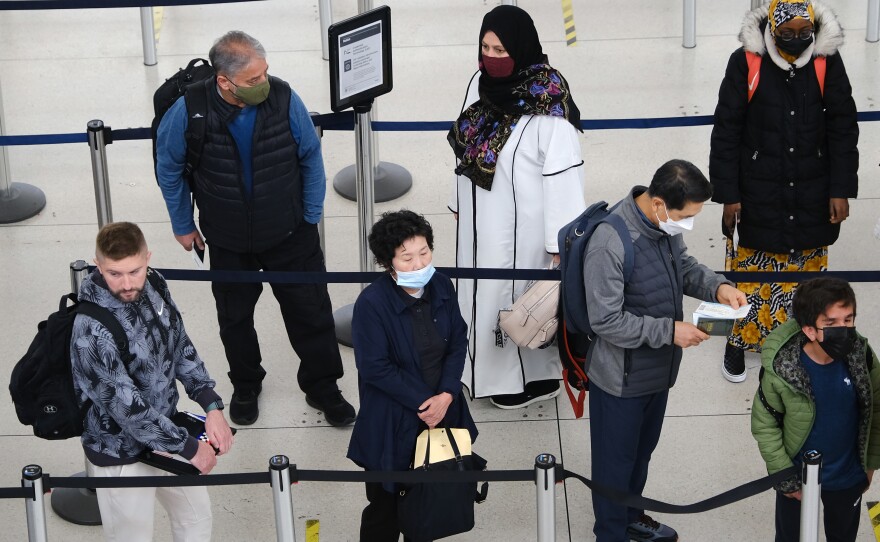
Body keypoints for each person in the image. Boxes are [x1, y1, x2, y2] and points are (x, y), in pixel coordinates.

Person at [155, 30, 355, 426]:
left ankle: (323, 387)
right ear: (224, 81)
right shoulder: (188, 111)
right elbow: (170, 169)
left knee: (310, 312)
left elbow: (310, 156)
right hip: (227, 237)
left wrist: (311, 215)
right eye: (252, 80)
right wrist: (183, 224)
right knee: (235, 318)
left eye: (264, 73)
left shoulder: (283, 97)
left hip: (290, 232)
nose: (263, 83)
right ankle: (246, 385)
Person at [583, 160, 747, 542]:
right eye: (684, 216)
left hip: (656, 370)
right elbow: (604, 320)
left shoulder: (661, 226)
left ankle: (631, 516)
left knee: (640, 456)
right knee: (613, 466)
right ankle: (610, 533)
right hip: (620, 379)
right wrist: (670, 331)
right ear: (658, 203)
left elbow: (683, 267)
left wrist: (717, 287)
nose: (687, 224)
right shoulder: (610, 243)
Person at [709, 0, 858, 384]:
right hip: (758, 188)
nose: (796, 40)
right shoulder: (747, 62)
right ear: (771, 31)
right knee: (750, 274)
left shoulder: (826, 62)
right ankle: (737, 342)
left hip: (812, 188)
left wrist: (841, 188)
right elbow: (727, 130)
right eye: (786, 34)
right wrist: (729, 194)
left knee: (804, 278)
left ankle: (794, 347)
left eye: (803, 33)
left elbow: (843, 127)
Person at [447, 5, 586, 409]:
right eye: (485, 47)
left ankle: (523, 379)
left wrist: (562, 243)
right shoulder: (480, 83)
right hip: (478, 222)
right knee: (477, 295)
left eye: (500, 48)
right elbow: (466, 146)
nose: (491, 57)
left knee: (519, 306)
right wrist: (458, 203)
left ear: (522, 49)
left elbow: (564, 179)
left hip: (523, 235)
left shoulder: (549, 107)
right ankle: (477, 366)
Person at [70, 222, 235, 542]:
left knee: (196, 521)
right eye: (114, 273)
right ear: (98, 264)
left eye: (135, 270)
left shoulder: (155, 283)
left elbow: (179, 343)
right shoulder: (90, 329)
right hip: (119, 453)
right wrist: (190, 449)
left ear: (148, 258)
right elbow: (127, 408)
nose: (127, 283)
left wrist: (211, 404)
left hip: (167, 430)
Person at [347, 210, 478, 542]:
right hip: (393, 423)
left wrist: (447, 394)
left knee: (430, 503)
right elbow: (375, 368)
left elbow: (458, 340)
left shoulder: (442, 285)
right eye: (407, 258)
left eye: (424, 252)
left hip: (444, 410)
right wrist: (426, 403)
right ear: (387, 262)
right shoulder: (371, 304)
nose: (419, 264)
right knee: (384, 511)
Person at [751, 277, 880, 542]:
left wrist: (870, 465)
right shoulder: (783, 371)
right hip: (796, 477)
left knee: (843, 536)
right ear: (809, 330)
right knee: (790, 536)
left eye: (848, 319)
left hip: (848, 476)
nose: (843, 330)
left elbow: (876, 411)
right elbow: (765, 425)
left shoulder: (862, 357)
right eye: (831, 324)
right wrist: (783, 476)